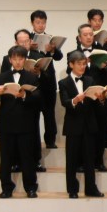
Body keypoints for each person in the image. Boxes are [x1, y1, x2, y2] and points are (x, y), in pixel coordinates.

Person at [0, 44, 42, 198]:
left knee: (27, 158)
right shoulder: (2, 77)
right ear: (10, 60)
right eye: (15, 59)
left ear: (25, 60)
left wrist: (24, 96)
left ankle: (30, 187)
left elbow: (38, 97)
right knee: (6, 158)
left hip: (26, 123)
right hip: (6, 124)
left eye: (21, 58)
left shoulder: (32, 77)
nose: (18, 62)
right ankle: (6, 188)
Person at [59, 50, 104, 198]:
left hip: (89, 125)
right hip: (73, 126)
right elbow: (64, 102)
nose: (82, 67)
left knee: (89, 159)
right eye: (79, 64)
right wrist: (75, 100)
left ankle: (91, 188)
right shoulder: (63, 82)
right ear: (71, 65)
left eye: (84, 64)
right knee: (71, 159)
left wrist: (101, 98)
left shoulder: (90, 80)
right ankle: (72, 190)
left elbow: (96, 105)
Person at [76, 22, 107, 170]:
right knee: (83, 131)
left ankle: (99, 161)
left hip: (99, 97)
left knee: (100, 130)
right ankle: (81, 162)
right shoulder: (73, 54)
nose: (88, 37)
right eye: (85, 35)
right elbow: (70, 73)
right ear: (79, 37)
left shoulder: (101, 51)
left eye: (91, 34)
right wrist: (84, 64)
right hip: (83, 98)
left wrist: (105, 67)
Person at [28, 9, 63, 149]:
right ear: (32, 23)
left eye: (43, 22)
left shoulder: (50, 38)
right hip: (33, 81)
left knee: (49, 113)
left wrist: (52, 50)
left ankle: (50, 140)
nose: (41, 25)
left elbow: (59, 57)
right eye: (38, 22)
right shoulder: (28, 39)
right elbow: (20, 54)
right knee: (33, 114)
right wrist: (28, 47)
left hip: (49, 81)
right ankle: (33, 142)